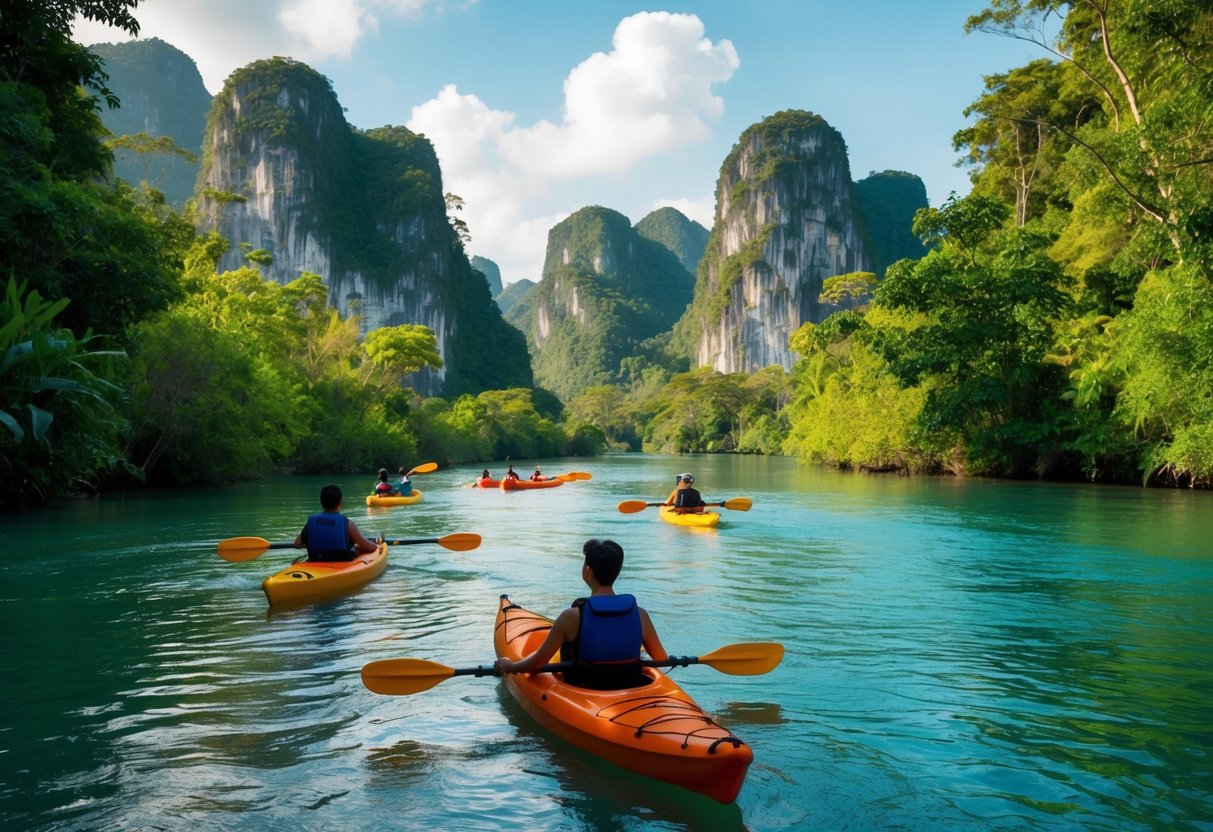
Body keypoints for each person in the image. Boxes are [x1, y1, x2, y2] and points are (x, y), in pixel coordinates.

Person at [495, 539, 668, 690]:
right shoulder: (640, 614)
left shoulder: (571, 617)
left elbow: (536, 664)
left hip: (587, 688)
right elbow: (662, 660)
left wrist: (510, 665)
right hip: (631, 686)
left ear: (588, 570)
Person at [294, 484, 380, 562]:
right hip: (342, 562)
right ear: (340, 504)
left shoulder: (310, 524)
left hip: (316, 559)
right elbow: (369, 547)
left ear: (321, 503)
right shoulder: (347, 524)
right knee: (356, 547)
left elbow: (297, 544)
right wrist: (376, 545)